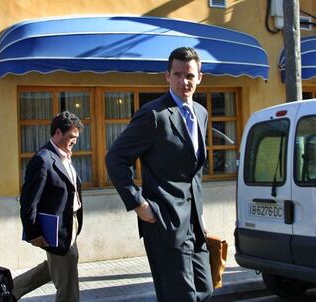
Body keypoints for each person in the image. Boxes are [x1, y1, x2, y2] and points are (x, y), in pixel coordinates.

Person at [105, 47, 213, 302]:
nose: (183, 81)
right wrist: (138, 203)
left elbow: (192, 173)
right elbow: (115, 158)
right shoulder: (154, 115)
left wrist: (200, 216)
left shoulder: (201, 113)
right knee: (180, 297)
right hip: (163, 221)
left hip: (193, 223)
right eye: (177, 74)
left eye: (189, 75)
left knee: (205, 289)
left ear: (199, 77)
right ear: (167, 76)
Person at [13, 111, 84, 302]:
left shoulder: (65, 155)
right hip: (55, 227)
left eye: (76, 138)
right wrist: (33, 232)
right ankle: (9, 291)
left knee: (58, 265)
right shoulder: (43, 159)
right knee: (67, 275)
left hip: (71, 222)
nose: (74, 142)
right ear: (58, 133)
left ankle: (9, 290)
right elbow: (29, 200)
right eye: (71, 137)